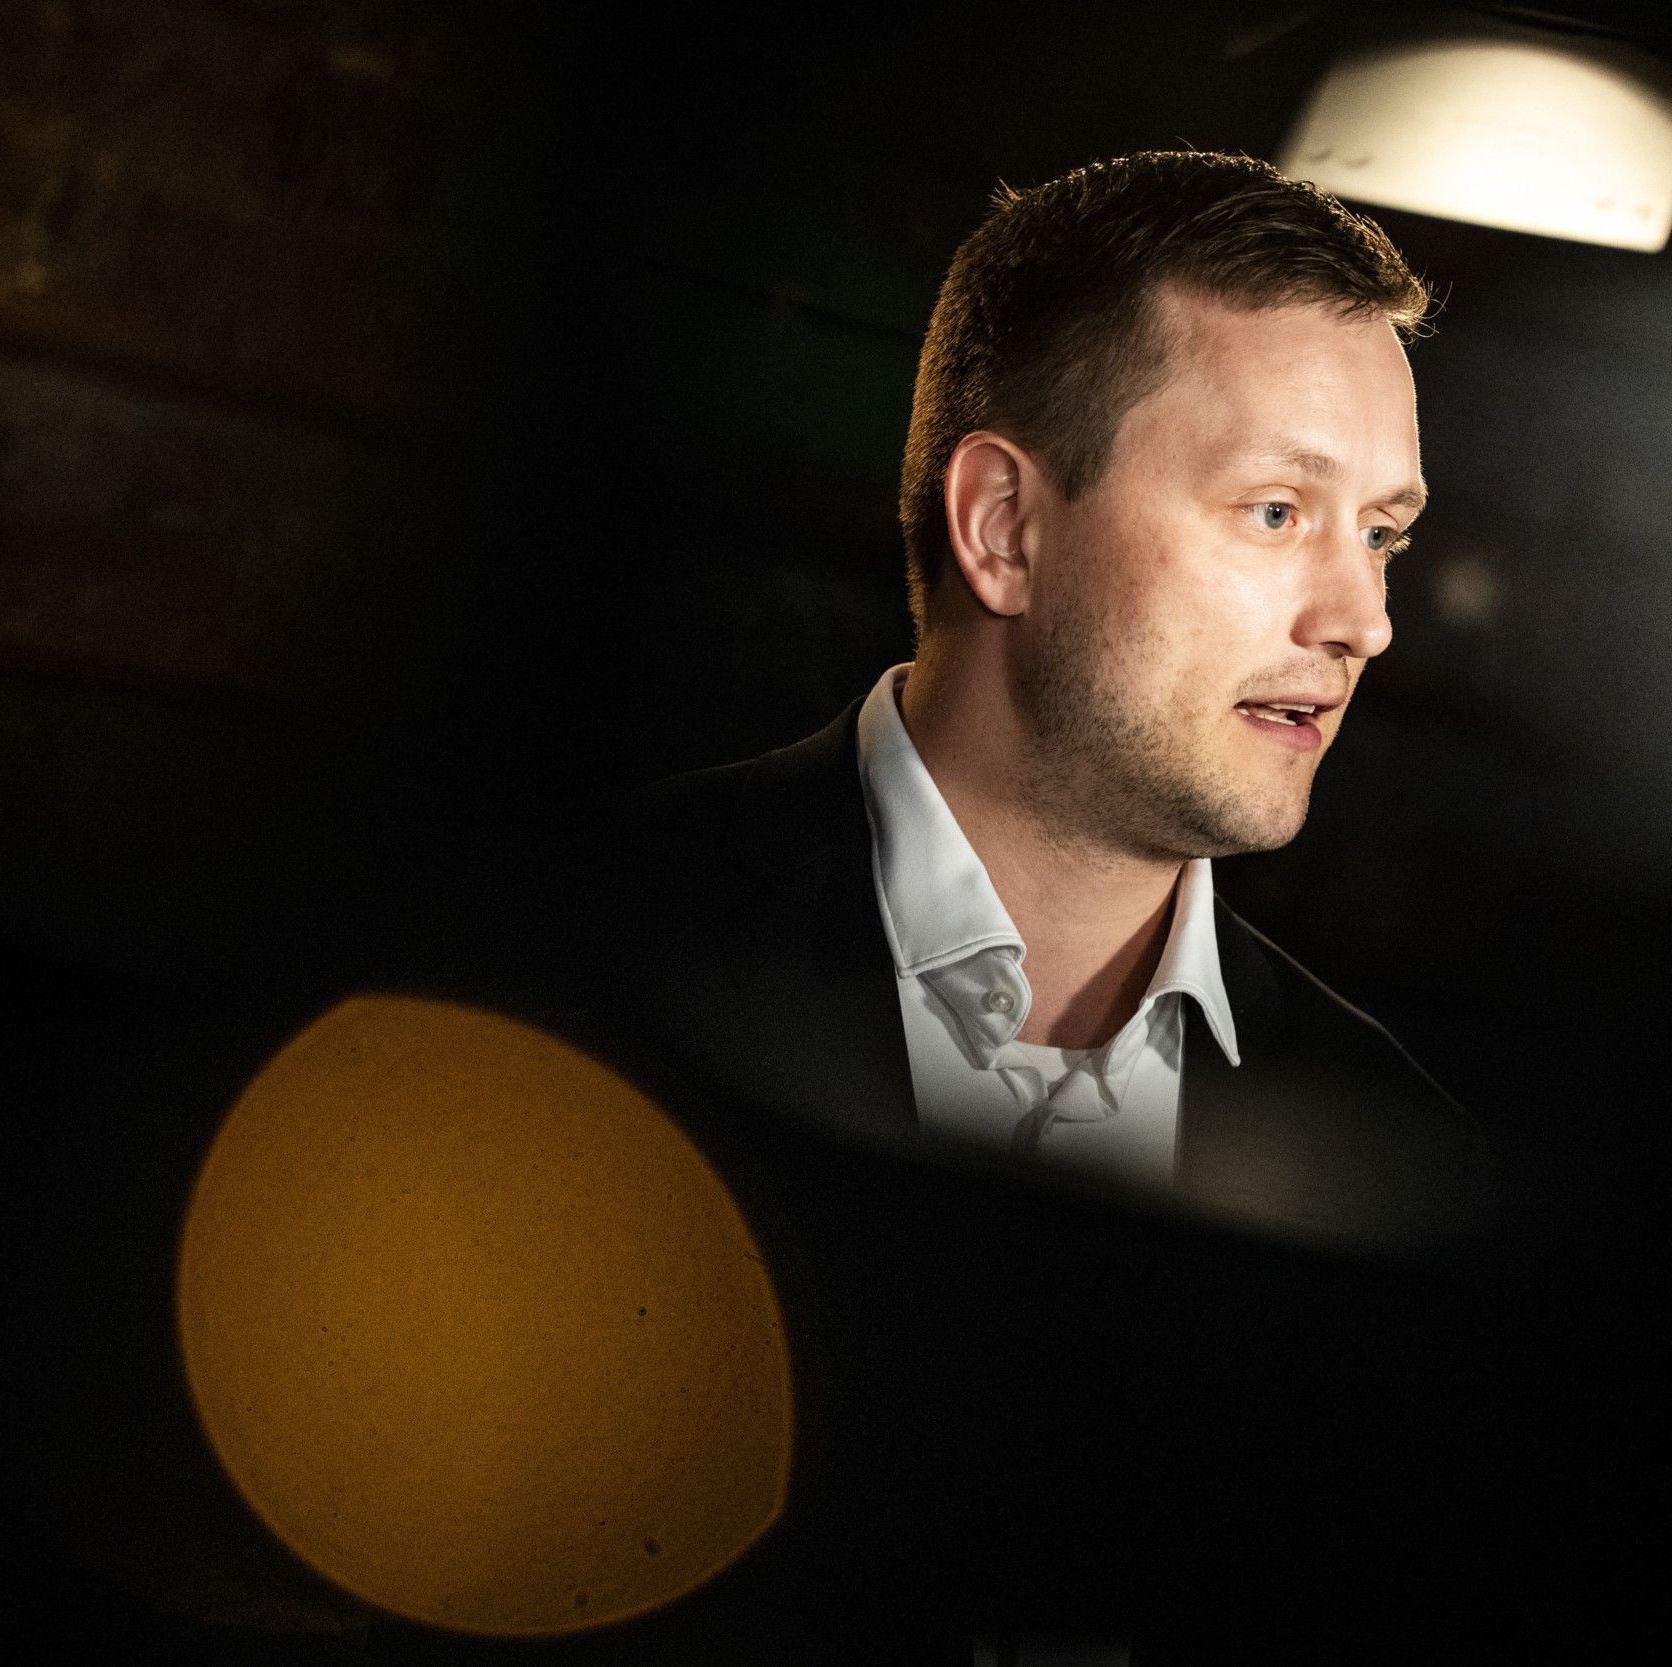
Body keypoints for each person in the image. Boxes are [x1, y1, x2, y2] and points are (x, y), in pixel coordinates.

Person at [555, 151, 1488, 1256]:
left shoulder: (1390, 1139)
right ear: (1004, 526)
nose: (1364, 621)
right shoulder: (577, 935)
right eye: (1277, 512)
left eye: (1381, 534)